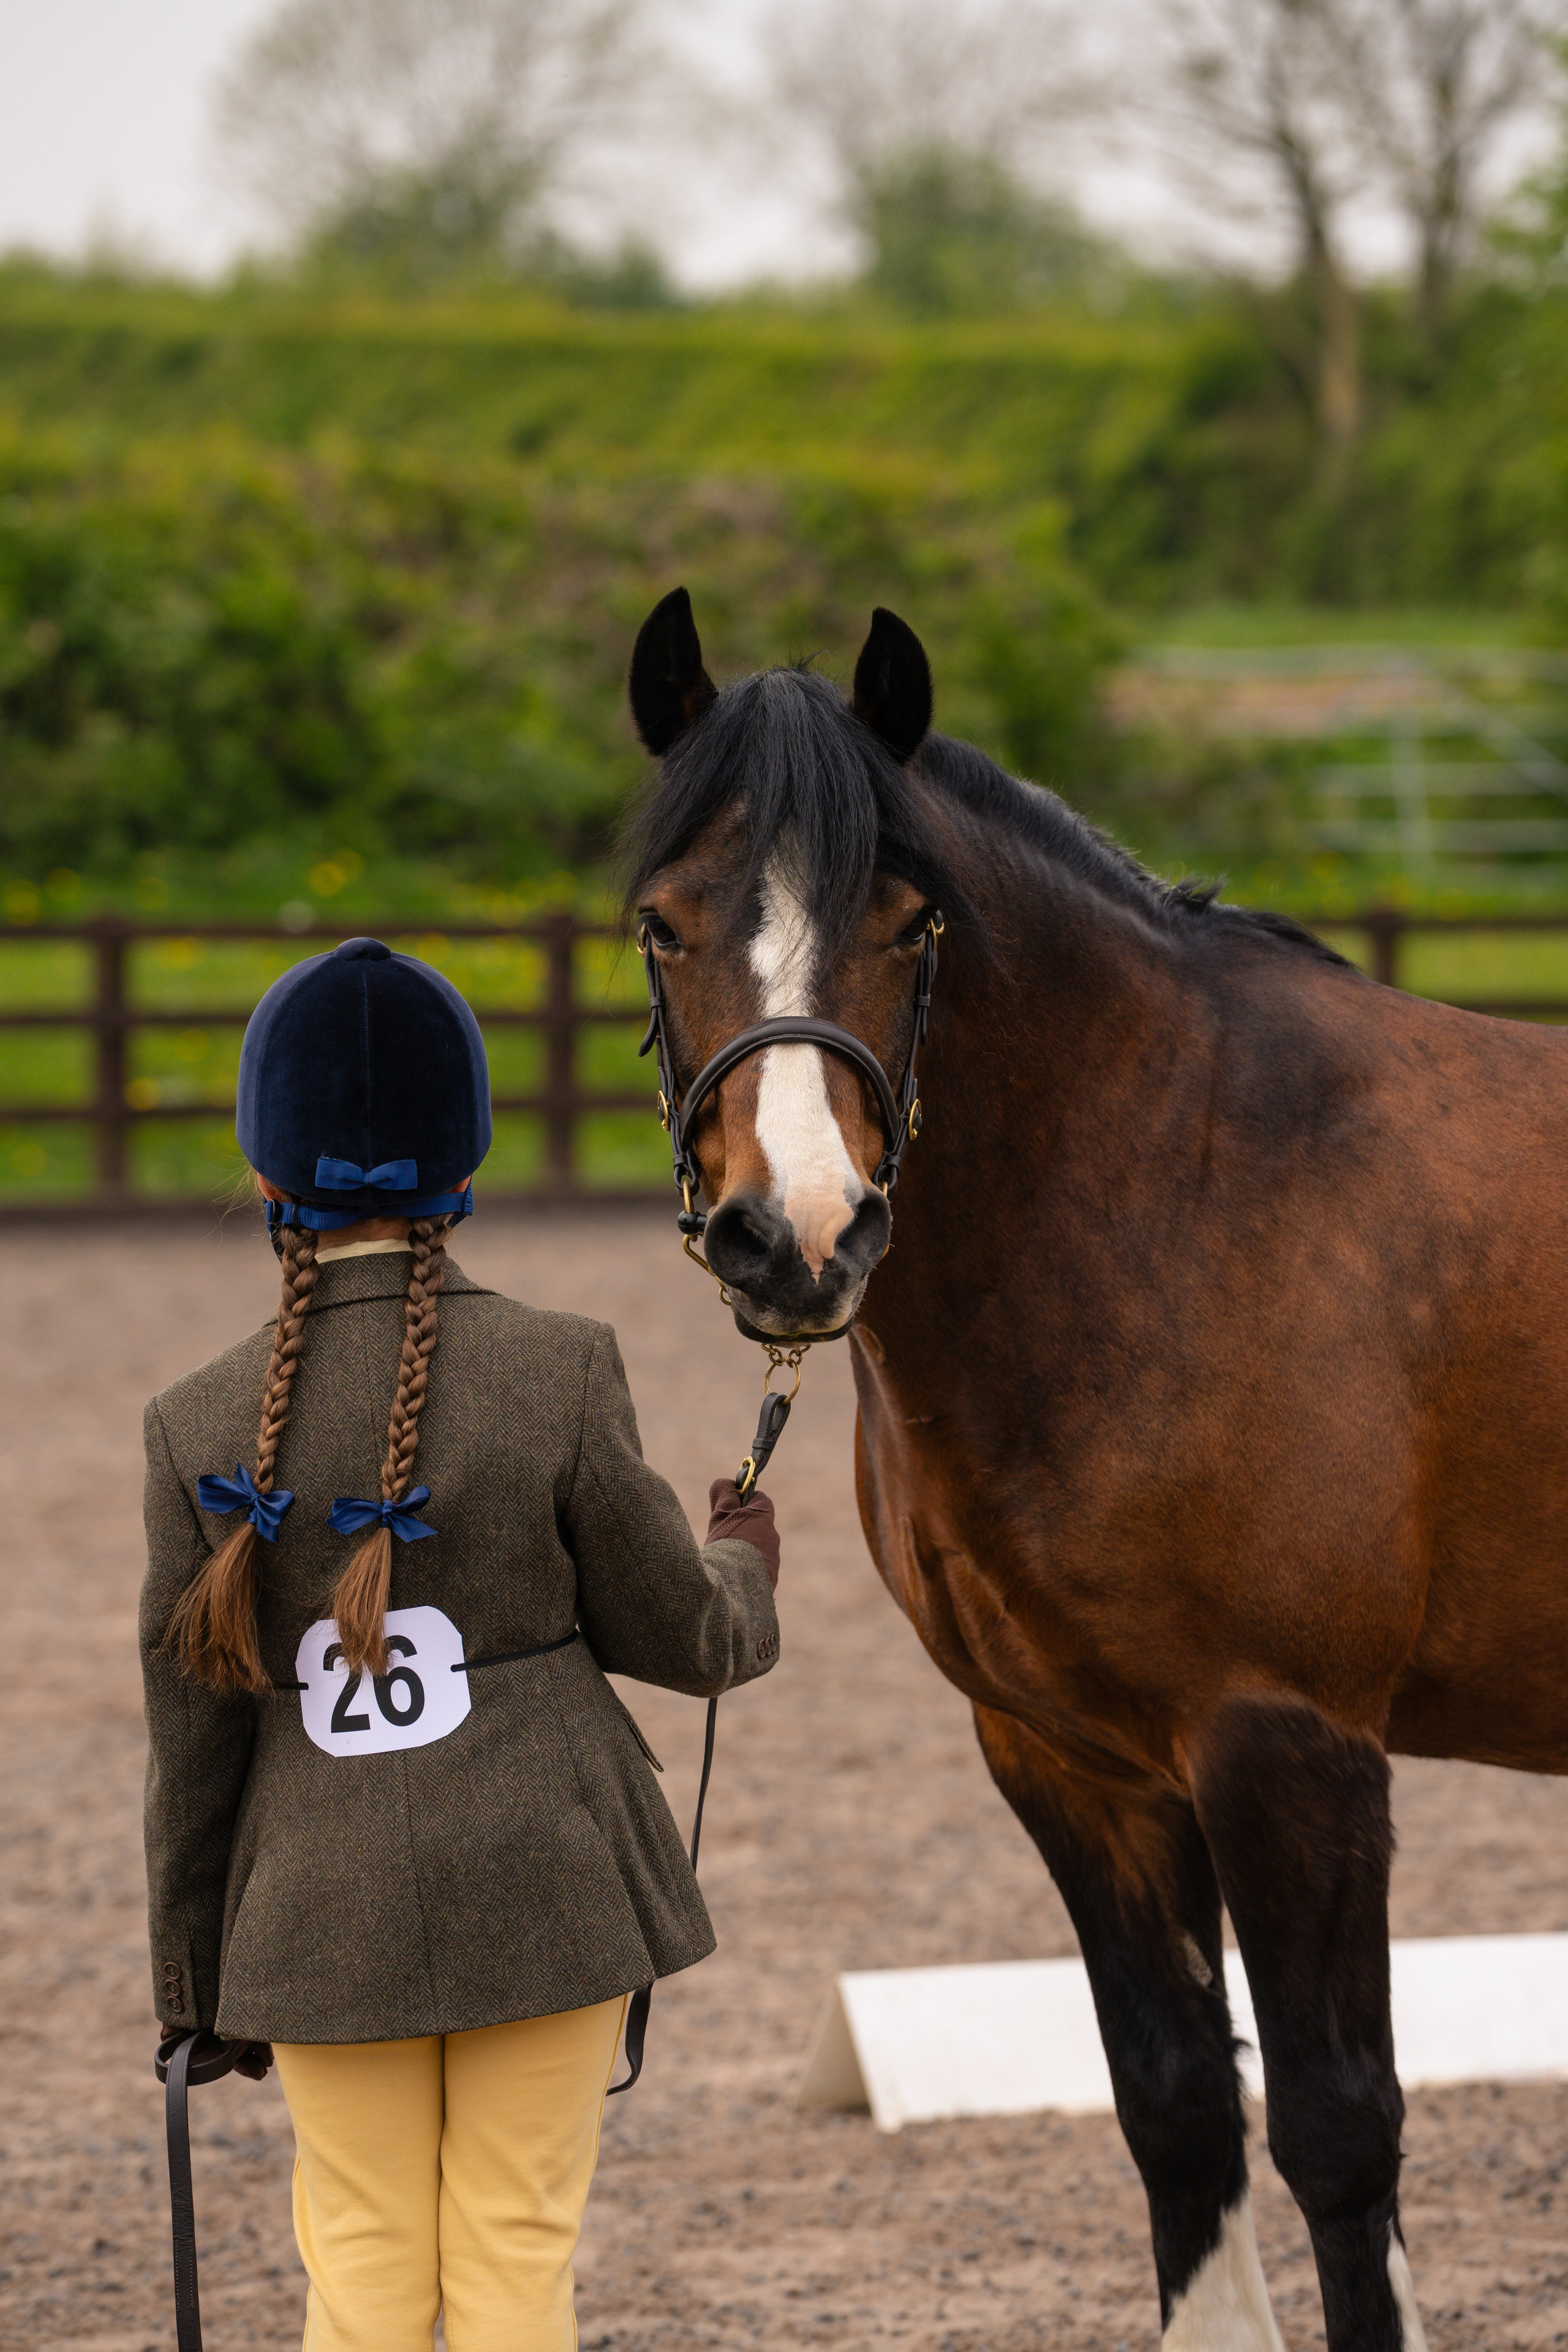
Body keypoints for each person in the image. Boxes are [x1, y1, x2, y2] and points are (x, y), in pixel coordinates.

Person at [140, 935, 781, 2352]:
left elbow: (192, 1747)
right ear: (463, 1168)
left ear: (265, 1173)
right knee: (513, 2253)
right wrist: (742, 1563)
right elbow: (680, 1634)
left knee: (361, 2266)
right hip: (545, 1884)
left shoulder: (196, 1422)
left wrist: (194, 1991)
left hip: (315, 1910)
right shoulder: (560, 1367)